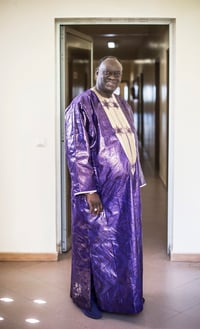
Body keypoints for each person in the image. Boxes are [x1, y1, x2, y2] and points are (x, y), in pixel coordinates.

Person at [65, 56, 146, 319]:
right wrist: (89, 191)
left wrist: (134, 176)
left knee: (124, 244)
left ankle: (124, 295)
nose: (112, 78)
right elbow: (76, 151)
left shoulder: (123, 103)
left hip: (126, 191)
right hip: (99, 192)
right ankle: (90, 299)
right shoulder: (82, 105)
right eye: (107, 73)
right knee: (97, 245)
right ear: (96, 72)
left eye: (117, 74)